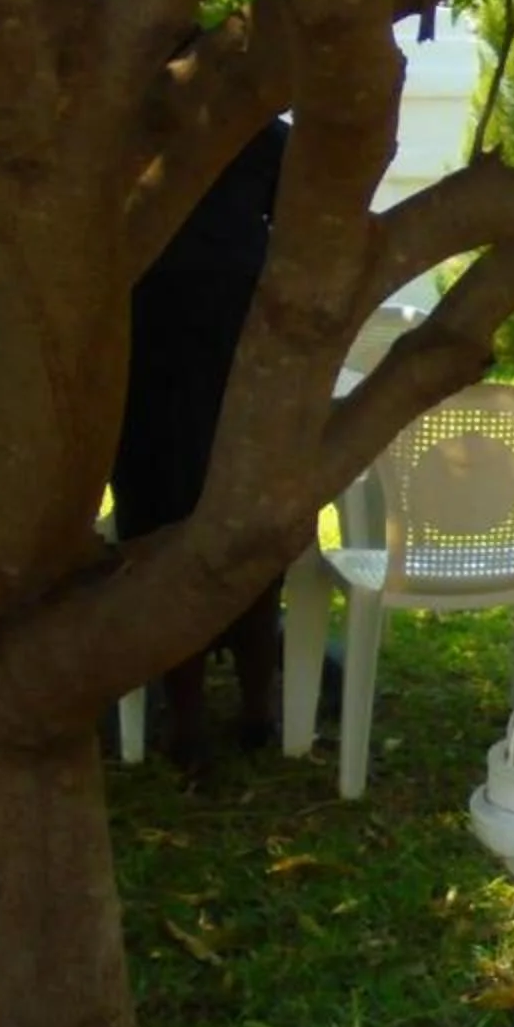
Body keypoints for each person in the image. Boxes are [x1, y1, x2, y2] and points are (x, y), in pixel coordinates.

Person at [110, 115, 289, 773]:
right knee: (238, 529)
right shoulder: (264, 137)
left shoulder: (121, 131)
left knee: (169, 523)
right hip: (222, 365)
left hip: (159, 367)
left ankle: (202, 715)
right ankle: (245, 709)